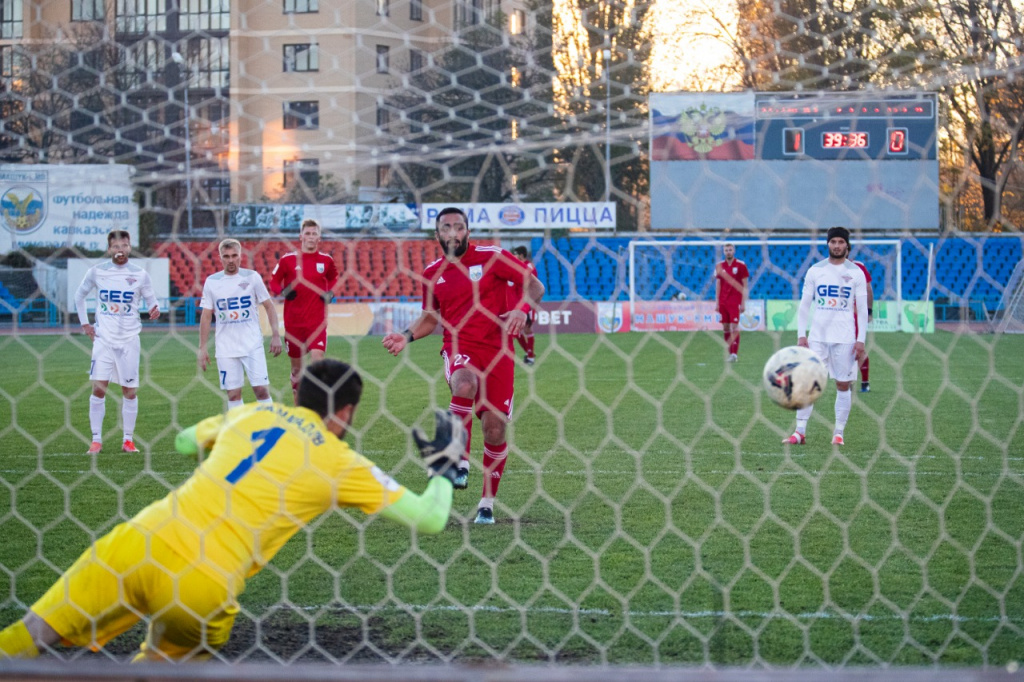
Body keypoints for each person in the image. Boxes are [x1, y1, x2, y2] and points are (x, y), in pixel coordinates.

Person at [0, 359, 466, 662]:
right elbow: (430, 518)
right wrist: (444, 469)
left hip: (140, 541)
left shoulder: (250, 414)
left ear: (300, 395)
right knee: (159, 669)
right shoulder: (340, 460)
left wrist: (221, 450)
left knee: (31, 634)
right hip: (205, 585)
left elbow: (184, 441)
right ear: (344, 413)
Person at [381, 207, 545, 525]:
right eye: (446, 227)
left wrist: (522, 311)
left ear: (468, 231)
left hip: (499, 353)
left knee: (495, 430)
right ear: (437, 234)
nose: (453, 232)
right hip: (459, 347)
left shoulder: (493, 256)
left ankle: (486, 504)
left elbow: (534, 287)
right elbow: (430, 319)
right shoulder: (432, 273)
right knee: (465, 383)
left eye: (459, 227)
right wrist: (405, 337)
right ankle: (459, 459)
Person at [74, 229, 161, 455]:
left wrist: (155, 309)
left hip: (129, 340)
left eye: (124, 246)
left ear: (130, 247)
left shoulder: (140, 274)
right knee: (99, 389)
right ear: (109, 249)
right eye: (115, 246)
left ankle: (128, 440)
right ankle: (96, 440)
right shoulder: (97, 272)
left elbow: (152, 300)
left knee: (129, 391)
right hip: (103, 340)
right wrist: (85, 324)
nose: (120, 250)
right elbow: (79, 296)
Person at [784, 226, 868, 446]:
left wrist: (861, 340)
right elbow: (804, 306)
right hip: (818, 338)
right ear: (828, 244)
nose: (837, 246)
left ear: (847, 246)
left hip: (846, 338)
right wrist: (802, 336)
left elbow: (862, 309)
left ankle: (838, 433)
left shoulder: (856, 272)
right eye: (833, 242)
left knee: (843, 384)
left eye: (841, 242)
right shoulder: (815, 271)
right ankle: (799, 432)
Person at [198, 239, 284, 409]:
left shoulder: (252, 277)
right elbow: (206, 316)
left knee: (261, 391)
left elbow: (269, 306)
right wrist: (202, 347)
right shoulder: (212, 282)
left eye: (234, 255)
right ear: (220, 258)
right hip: (225, 348)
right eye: (226, 256)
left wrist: (276, 335)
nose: (231, 260)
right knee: (233, 394)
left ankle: (270, 431)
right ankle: (239, 434)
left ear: (240, 256)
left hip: (252, 344)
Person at [269, 218, 339, 403]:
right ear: (300, 236)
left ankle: (317, 405)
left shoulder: (326, 260)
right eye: (307, 233)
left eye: (314, 233)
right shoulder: (288, 260)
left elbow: (334, 278)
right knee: (297, 371)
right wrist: (283, 292)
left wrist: (330, 293)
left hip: (317, 322)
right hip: (294, 324)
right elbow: (273, 281)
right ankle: (299, 405)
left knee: (317, 361)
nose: (310, 236)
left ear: (319, 237)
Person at [714, 242, 749, 362]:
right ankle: (730, 353)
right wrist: (717, 302)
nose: (728, 252)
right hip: (723, 301)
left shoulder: (741, 265)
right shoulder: (719, 266)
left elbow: (745, 285)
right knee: (726, 327)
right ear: (724, 252)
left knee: (734, 327)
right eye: (726, 250)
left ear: (734, 251)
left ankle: (734, 354)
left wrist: (743, 302)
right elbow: (718, 284)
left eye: (730, 250)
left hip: (735, 301)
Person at [851, 254, 874, 392]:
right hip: (839, 315)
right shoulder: (831, 267)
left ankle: (862, 382)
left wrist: (869, 311)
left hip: (853, 313)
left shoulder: (858, 266)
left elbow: (868, 289)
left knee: (856, 348)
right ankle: (858, 382)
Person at [511, 245, 538, 365]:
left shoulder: (529, 267)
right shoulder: (516, 265)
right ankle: (529, 353)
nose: (514, 256)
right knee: (515, 330)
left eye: (516, 254)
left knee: (527, 328)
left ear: (521, 255)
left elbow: (532, 285)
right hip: (517, 303)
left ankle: (530, 357)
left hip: (527, 303)